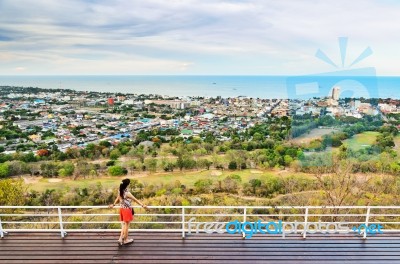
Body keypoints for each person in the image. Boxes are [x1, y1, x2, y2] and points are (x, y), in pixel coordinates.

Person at [109, 178, 147, 245]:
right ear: (127, 185)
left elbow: (117, 198)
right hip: (127, 210)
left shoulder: (120, 190)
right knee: (126, 226)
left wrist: (114, 204)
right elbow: (135, 200)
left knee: (123, 225)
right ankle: (126, 240)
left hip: (122, 209)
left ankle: (120, 239)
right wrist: (142, 205)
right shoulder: (127, 193)